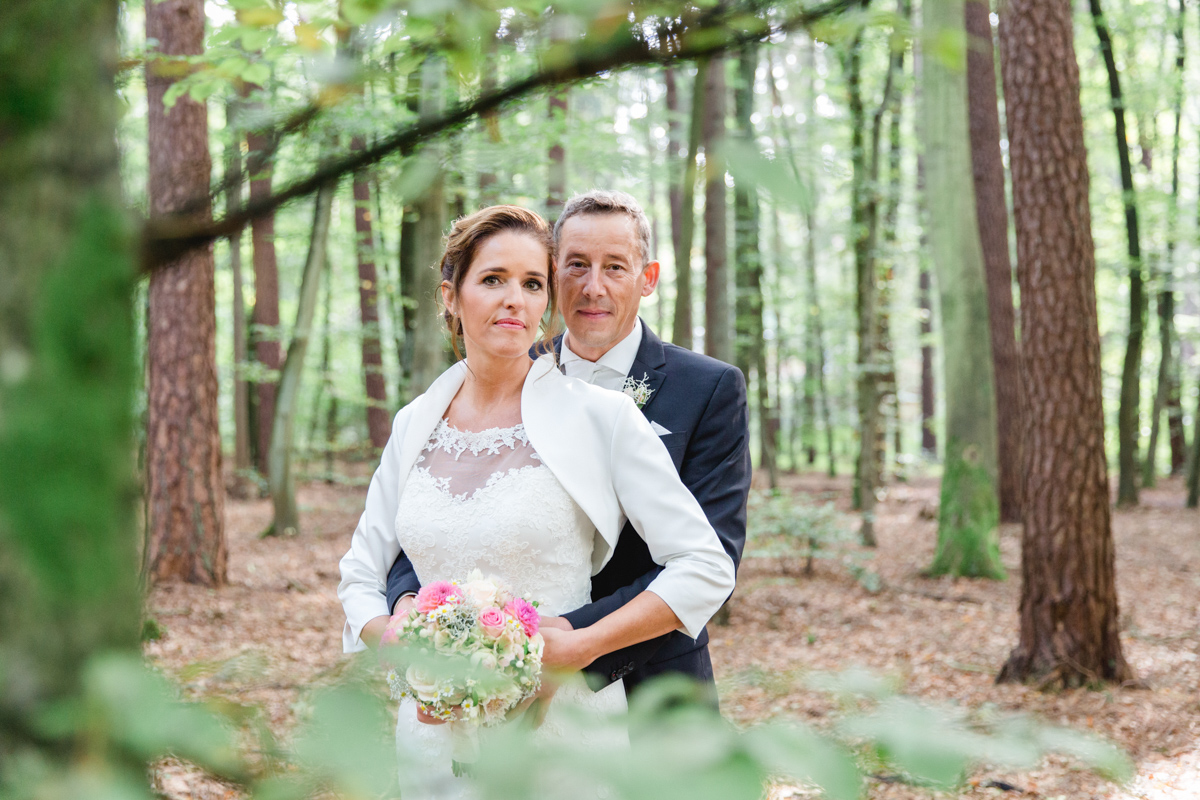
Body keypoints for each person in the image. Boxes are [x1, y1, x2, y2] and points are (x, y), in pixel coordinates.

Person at [337, 205, 736, 795]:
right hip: (433, 730)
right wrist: (393, 639)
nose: (514, 300)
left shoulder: (600, 415)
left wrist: (577, 644)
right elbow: (360, 573)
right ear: (451, 296)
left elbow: (705, 565)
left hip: (563, 729)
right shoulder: (413, 424)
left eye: (532, 284)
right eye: (493, 280)